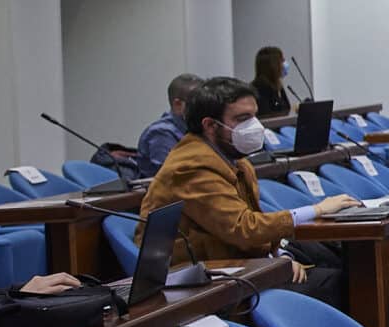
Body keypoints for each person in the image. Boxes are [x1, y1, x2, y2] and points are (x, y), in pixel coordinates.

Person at [136, 76, 360, 304]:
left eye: (254, 116)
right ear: (210, 125)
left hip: (241, 260)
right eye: (243, 118)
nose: (254, 126)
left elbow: (251, 223)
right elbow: (243, 228)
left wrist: (278, 255)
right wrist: (317, 210)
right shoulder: (191, 166)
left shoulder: (234, 158)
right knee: (338, 282)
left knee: (340, 258)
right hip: (204, 279)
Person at [135, 73, 202, 180]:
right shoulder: (161, 133)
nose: (205, 109)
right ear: (178, 105)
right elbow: (173, 176)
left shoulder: (198, 128)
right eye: (198, 104)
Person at [251, 46, 292, 118]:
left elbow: (286, 108)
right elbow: (266, 115)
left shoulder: (277, 85)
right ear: (273, 65)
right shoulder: (259, 88)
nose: (284, 64)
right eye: (282, 61)